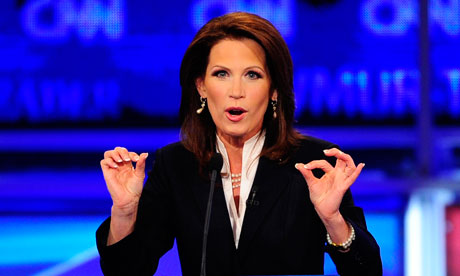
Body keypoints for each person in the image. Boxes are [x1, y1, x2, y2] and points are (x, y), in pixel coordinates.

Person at [96, 12, 382, 276]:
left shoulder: (313, 162)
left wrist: (333, 219)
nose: (236, 92)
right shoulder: (175, 165)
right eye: (221, 74)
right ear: (201, 86)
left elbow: (367, 272)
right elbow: (126, 271)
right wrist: (124, 211)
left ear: (274, 91)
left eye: (252, 75)